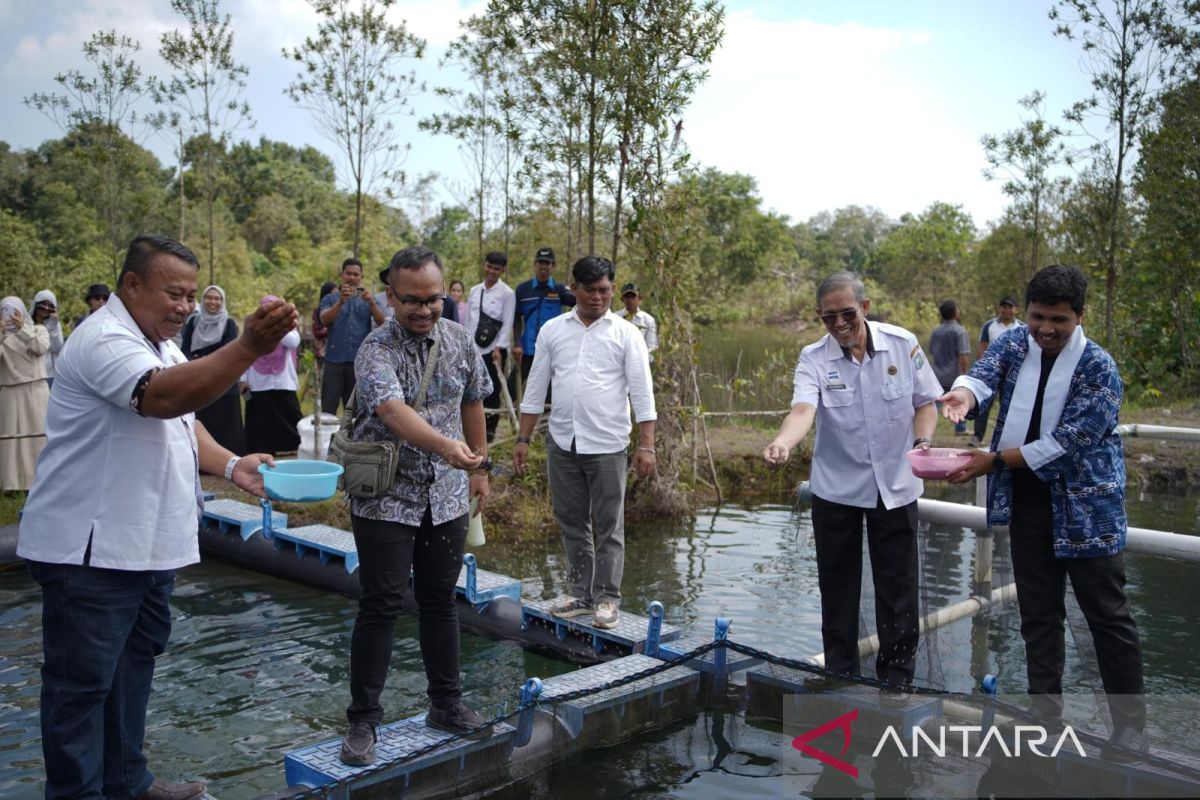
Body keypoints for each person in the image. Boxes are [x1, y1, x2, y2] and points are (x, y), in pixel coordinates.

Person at [17, 234, 297, 800]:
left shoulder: (161, 344)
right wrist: (246, 348)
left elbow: (185, 422)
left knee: (132, 671)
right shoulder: (103, 339)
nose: (185, 306)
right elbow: (162, 398)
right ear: (132, 285)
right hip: (90, 549)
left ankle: (127, 781)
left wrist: (232, 463)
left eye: (192, 294)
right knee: (80, 688)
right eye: (174, 292)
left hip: (148, 544)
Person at [940, 264, 1146, 757]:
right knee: (1038, 613)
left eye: (1059, 320)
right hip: (1030, 505)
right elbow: (985, 373)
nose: (1046, 329)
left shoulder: (1099, 367)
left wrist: (992, 461)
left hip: (1086, 511)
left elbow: (1071, 442)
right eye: (1037, 317)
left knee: (1107, 617)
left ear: (1080, 316)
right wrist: (963, 395)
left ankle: (1130, 728)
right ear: (1024, 312)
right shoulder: (1016, 343)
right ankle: (1044, 716)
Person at [339, 246, 494, 767]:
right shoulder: (374, 348)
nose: (424, 311)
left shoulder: (459, 340)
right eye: (412, 301)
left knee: (440, 602)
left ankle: (445, 704)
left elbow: (473, 401)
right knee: (380, 604)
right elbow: (391, 409)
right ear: (391, 295)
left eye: (433, 300)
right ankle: (363, 721)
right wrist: (446, 448)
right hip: (384, 494)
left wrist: (479, 469)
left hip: (447, 492)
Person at [763, 271, 941, 687]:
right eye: (829, 318)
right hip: (836, 488)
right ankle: (839, 675)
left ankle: (895, 681)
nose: (840, 325)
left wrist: (924, 440)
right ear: (819, 317)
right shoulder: (814, 358)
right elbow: (803, 411)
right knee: (838, 587)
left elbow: (926, 402)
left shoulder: (902, 343)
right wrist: (783, 442)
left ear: (864, 307)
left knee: (898, 589)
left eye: (847, 315)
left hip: (895, 486)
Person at [513, 256, 656, 631]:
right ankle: (580, 593)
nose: (598, 297)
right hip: (562, 441)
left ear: (612, 289)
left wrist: (647, 445)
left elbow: (642, 393)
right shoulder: (552, 330)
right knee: (572, 521)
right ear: (573, 288)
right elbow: (535, 387)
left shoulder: (627, 334)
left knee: (609, 524)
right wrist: (523, 439)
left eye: (604, 290)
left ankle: (607, 598)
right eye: (590, 290)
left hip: (608, 443)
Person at [182, 285, 245, 456]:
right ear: (203, 300)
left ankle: (227, 459)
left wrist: (204, 361)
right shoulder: (194, 322)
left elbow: (229, 350)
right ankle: (202, 457)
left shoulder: (228, 323)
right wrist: (194, 362)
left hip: (222, 378)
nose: (213, 302)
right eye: (209, 297)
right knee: (203, 418)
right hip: (198, 377)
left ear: (223, 302)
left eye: (218, 298)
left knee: (225, 422)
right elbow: (184, 349)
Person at [319, 258, 385, 414]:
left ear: (361, 277)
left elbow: (382, 322)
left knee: (356, 412)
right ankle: (329, 439)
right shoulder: (330, 298)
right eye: (348, 273)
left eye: (356, 274)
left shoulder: (368, 299)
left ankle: (351, 439)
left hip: (358, 362)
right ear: (342, 275)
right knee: (328, 408)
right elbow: (324, 320)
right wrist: (341, 302)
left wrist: (372, 303)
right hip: (334, 360)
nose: (352, 277)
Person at [464, 251, 516, 443]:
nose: (492, 271)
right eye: (489, 266)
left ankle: (490, 436)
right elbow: (469, 320)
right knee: (471, 389)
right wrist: (466, 345)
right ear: (484, 265)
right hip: (473, 349)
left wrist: (499, 348)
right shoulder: (475, 291)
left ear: (502, 270)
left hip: (494, 350)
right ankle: (471, 432)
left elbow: (508, 322)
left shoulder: (507, 294)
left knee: (492, 393)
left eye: (497, 268)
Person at [242, 294, 303, 455]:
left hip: (283, 379)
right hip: (258, 377)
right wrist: (243, 379)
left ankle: (293, 446)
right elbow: (247, 351)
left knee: (289, 411)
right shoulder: (255, 328)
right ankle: (262, 449)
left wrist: (277, 325)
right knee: (261, 414)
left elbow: (292, 342)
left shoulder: (289, 327)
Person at [1, 296, 50, 491]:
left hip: (35, 389)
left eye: (14, 311)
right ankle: (11, 485)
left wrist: (22, 328)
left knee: (36, 437)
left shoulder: (38, 330)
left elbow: (40, 348)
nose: (10, 315)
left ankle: (39, 480)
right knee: (10, 441)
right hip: (10, 390)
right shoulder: (3, 337)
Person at [512, 247, 575, 396]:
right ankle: (511, 416)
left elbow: (577, 302)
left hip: (553, 348)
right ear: (535, 264)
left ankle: (546, 419)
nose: (544, 267)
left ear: (553, 266)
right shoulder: (523, 289)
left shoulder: (560, 289)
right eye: (541, 262)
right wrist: (517, 343)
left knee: (550, 392)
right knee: (513, 387)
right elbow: (516, 318)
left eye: (547, 263)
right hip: (528, 348)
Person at [970, 295, 1023, 447]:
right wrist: (983, 368)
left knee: (1010, 405)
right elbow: (982, 346)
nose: (1006, 310)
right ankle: (977, 436)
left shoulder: (1021, 327)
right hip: (992, 372)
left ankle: (1009, 438)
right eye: (1004, 307)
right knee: (983, 403)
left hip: (1013, 374)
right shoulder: (989, 325)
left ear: (1015, 310)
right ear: (999, 308)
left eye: (1010, 307)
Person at [928, 299, 970, 435]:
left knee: (935, 404)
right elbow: (963, 355)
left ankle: (929, 429)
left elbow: (932, 352)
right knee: (959, 400)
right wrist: (965, 374)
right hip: (954, 374)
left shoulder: (935, 331)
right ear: (954, 313)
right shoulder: (960, 331)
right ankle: (960, 428)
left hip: (937, 373)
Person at [30, 290, 65, 385]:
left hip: (48, 373)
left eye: (50, 306)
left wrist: (53, 327)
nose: (46, 308)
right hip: (29, 373)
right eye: (43, 304)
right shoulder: (27, 324)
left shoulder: (55, 325)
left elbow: (57, 348)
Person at [619, 282, 658, 354]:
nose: (630, 300)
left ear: (639, 298)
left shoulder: (648, 320)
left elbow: (652, 346)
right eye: (627, 297)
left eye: (633, 296)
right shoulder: (615, 318)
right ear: (622, 299)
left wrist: (640, 357)